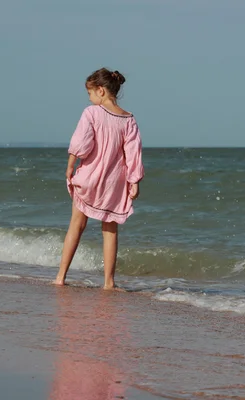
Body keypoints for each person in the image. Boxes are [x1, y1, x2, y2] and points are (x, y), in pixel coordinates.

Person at [54, 67, 144, 289]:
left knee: (77, 224)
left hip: (90, 177)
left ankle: (60, 277)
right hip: (114, 182)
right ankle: (109, 282)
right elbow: (133, 153)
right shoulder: (129, 120)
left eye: (90, 93)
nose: (90, 98)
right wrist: (134, 181)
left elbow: (81, 143)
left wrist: (70, 166)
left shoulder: (91, 113)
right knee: (110, 230)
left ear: (101, 91)